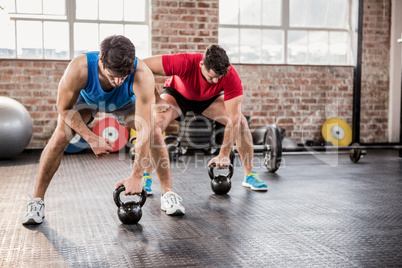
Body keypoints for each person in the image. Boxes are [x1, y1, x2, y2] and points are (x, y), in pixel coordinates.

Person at [22, 35, 184, 225]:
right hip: (87, 103)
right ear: (100, 60)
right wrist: (91, 138)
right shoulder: (79, 69)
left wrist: (137, 176)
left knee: (155, 133)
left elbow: (144, 127)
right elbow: (64, 108)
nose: (118, 81)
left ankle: (168, 194)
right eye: (112, 75)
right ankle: (36, 200)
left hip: (124, 104)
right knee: (60, 136)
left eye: (123, 77)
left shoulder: (142, 74)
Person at [142, 45, 268, 193]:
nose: (215, 81)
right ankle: (145, 176)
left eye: (218, 78)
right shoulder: (184, 62)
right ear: (201, 64)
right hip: (177, 95)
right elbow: (142, 67)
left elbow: (233, 119)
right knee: (156, 123)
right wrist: (156, 98)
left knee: (241, 122)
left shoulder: (230, 75)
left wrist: (224, 155)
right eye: (211, 77)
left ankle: (250, 175)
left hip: (208, 99)